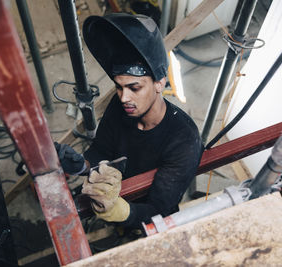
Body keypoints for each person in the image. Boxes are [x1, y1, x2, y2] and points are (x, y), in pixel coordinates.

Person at [55, 13, 203, 230]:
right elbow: (102, 150)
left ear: (159, 83)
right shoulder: (121, 106)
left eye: (134, 88)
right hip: (118, 187)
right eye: (119, 87)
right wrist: (81, 165)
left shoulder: (184, 140)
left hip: (149, 216)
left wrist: (122, 212)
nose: (124, 98)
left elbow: (159, 208)